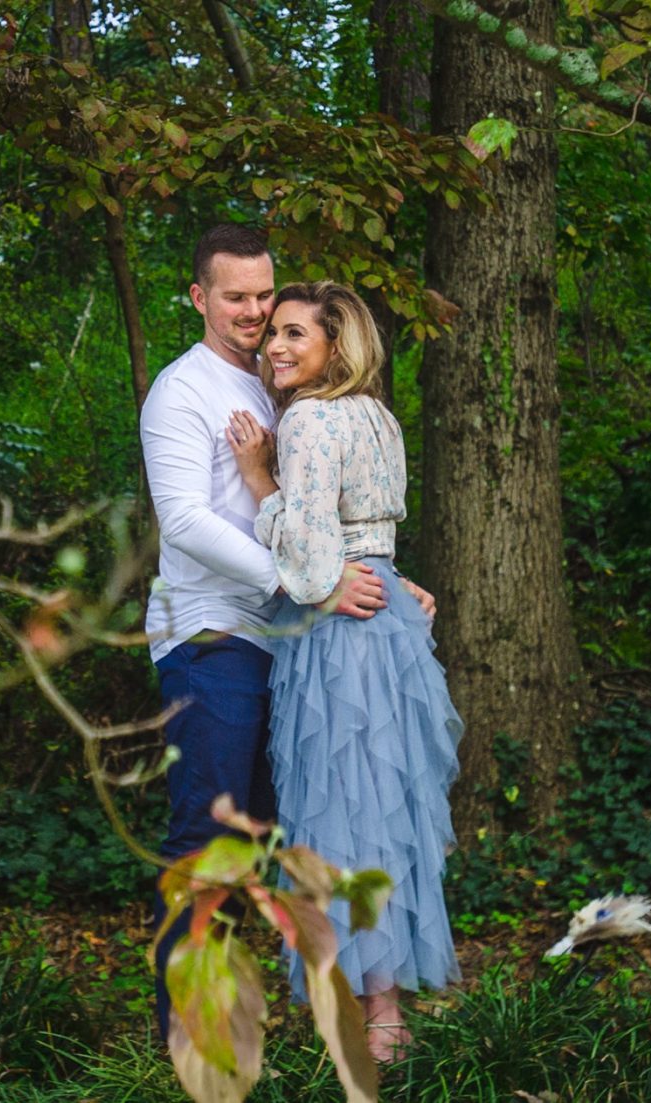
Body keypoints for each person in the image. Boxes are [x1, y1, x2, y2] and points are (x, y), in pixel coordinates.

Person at [139, 225, 432, 1042]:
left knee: (296, 834)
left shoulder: (288, 387)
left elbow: (329, 510)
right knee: (213, 836)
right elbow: (187, 520)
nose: (255, 314)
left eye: (265, 298)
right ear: (200, 297)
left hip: (299, 640)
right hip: (214, 636)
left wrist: (381, 575)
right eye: (235, 297)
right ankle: (191, 1037)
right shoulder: (181, 392)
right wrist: (309, 580)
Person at [226, 280, 463, 1061]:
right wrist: (392, 581)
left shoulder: (309, 420)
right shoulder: (378, 417)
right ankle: (386, 1008)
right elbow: (376, 536)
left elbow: (313, 552)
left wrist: (260, 476)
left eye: (297, 334)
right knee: (384, 807)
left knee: (340, 810)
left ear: (337, 345)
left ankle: (373, 1017)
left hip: (341, 626)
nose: (277, 347)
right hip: (387, 616)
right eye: (275, 335)